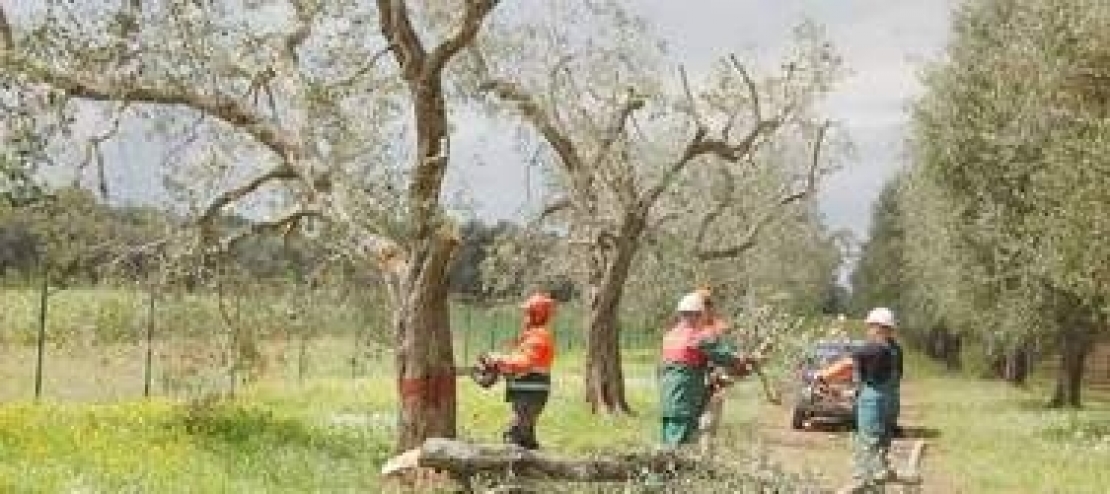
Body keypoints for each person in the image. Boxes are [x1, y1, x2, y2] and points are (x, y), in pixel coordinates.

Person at [659, 292, 757, 448]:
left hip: (667, 399)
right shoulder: (696, 337)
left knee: (668, 440)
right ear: (696, 316)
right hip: (685, 398)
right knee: (681, 445)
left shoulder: (670, 336)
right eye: (701, 316)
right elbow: (723, 356)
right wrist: (744, 359)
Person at [816, 308, 896, 492]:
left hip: (873, 401)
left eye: (870, 326)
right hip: (885, 398)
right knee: (881, 447)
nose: (868, 330)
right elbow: (865, 373)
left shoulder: (873, 347)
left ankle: (864, 484)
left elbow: (847, 364)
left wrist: (822, 377)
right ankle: (876, 484)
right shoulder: (892, 349)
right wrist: (844, 393)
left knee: (868, 445)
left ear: (878, 327)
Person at [482, 292, 556, 450]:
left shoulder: (539, 337)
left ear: (536, 315)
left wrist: (500, 359)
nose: (524, 317)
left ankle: (508, 468)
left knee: (514, 435)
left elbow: (525, 362)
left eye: (527, 313)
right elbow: (519, 361)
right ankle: (533, 467)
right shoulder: (532, 336)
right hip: (527, 393)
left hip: (530, 394)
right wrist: (501, 365)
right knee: (526, 437)